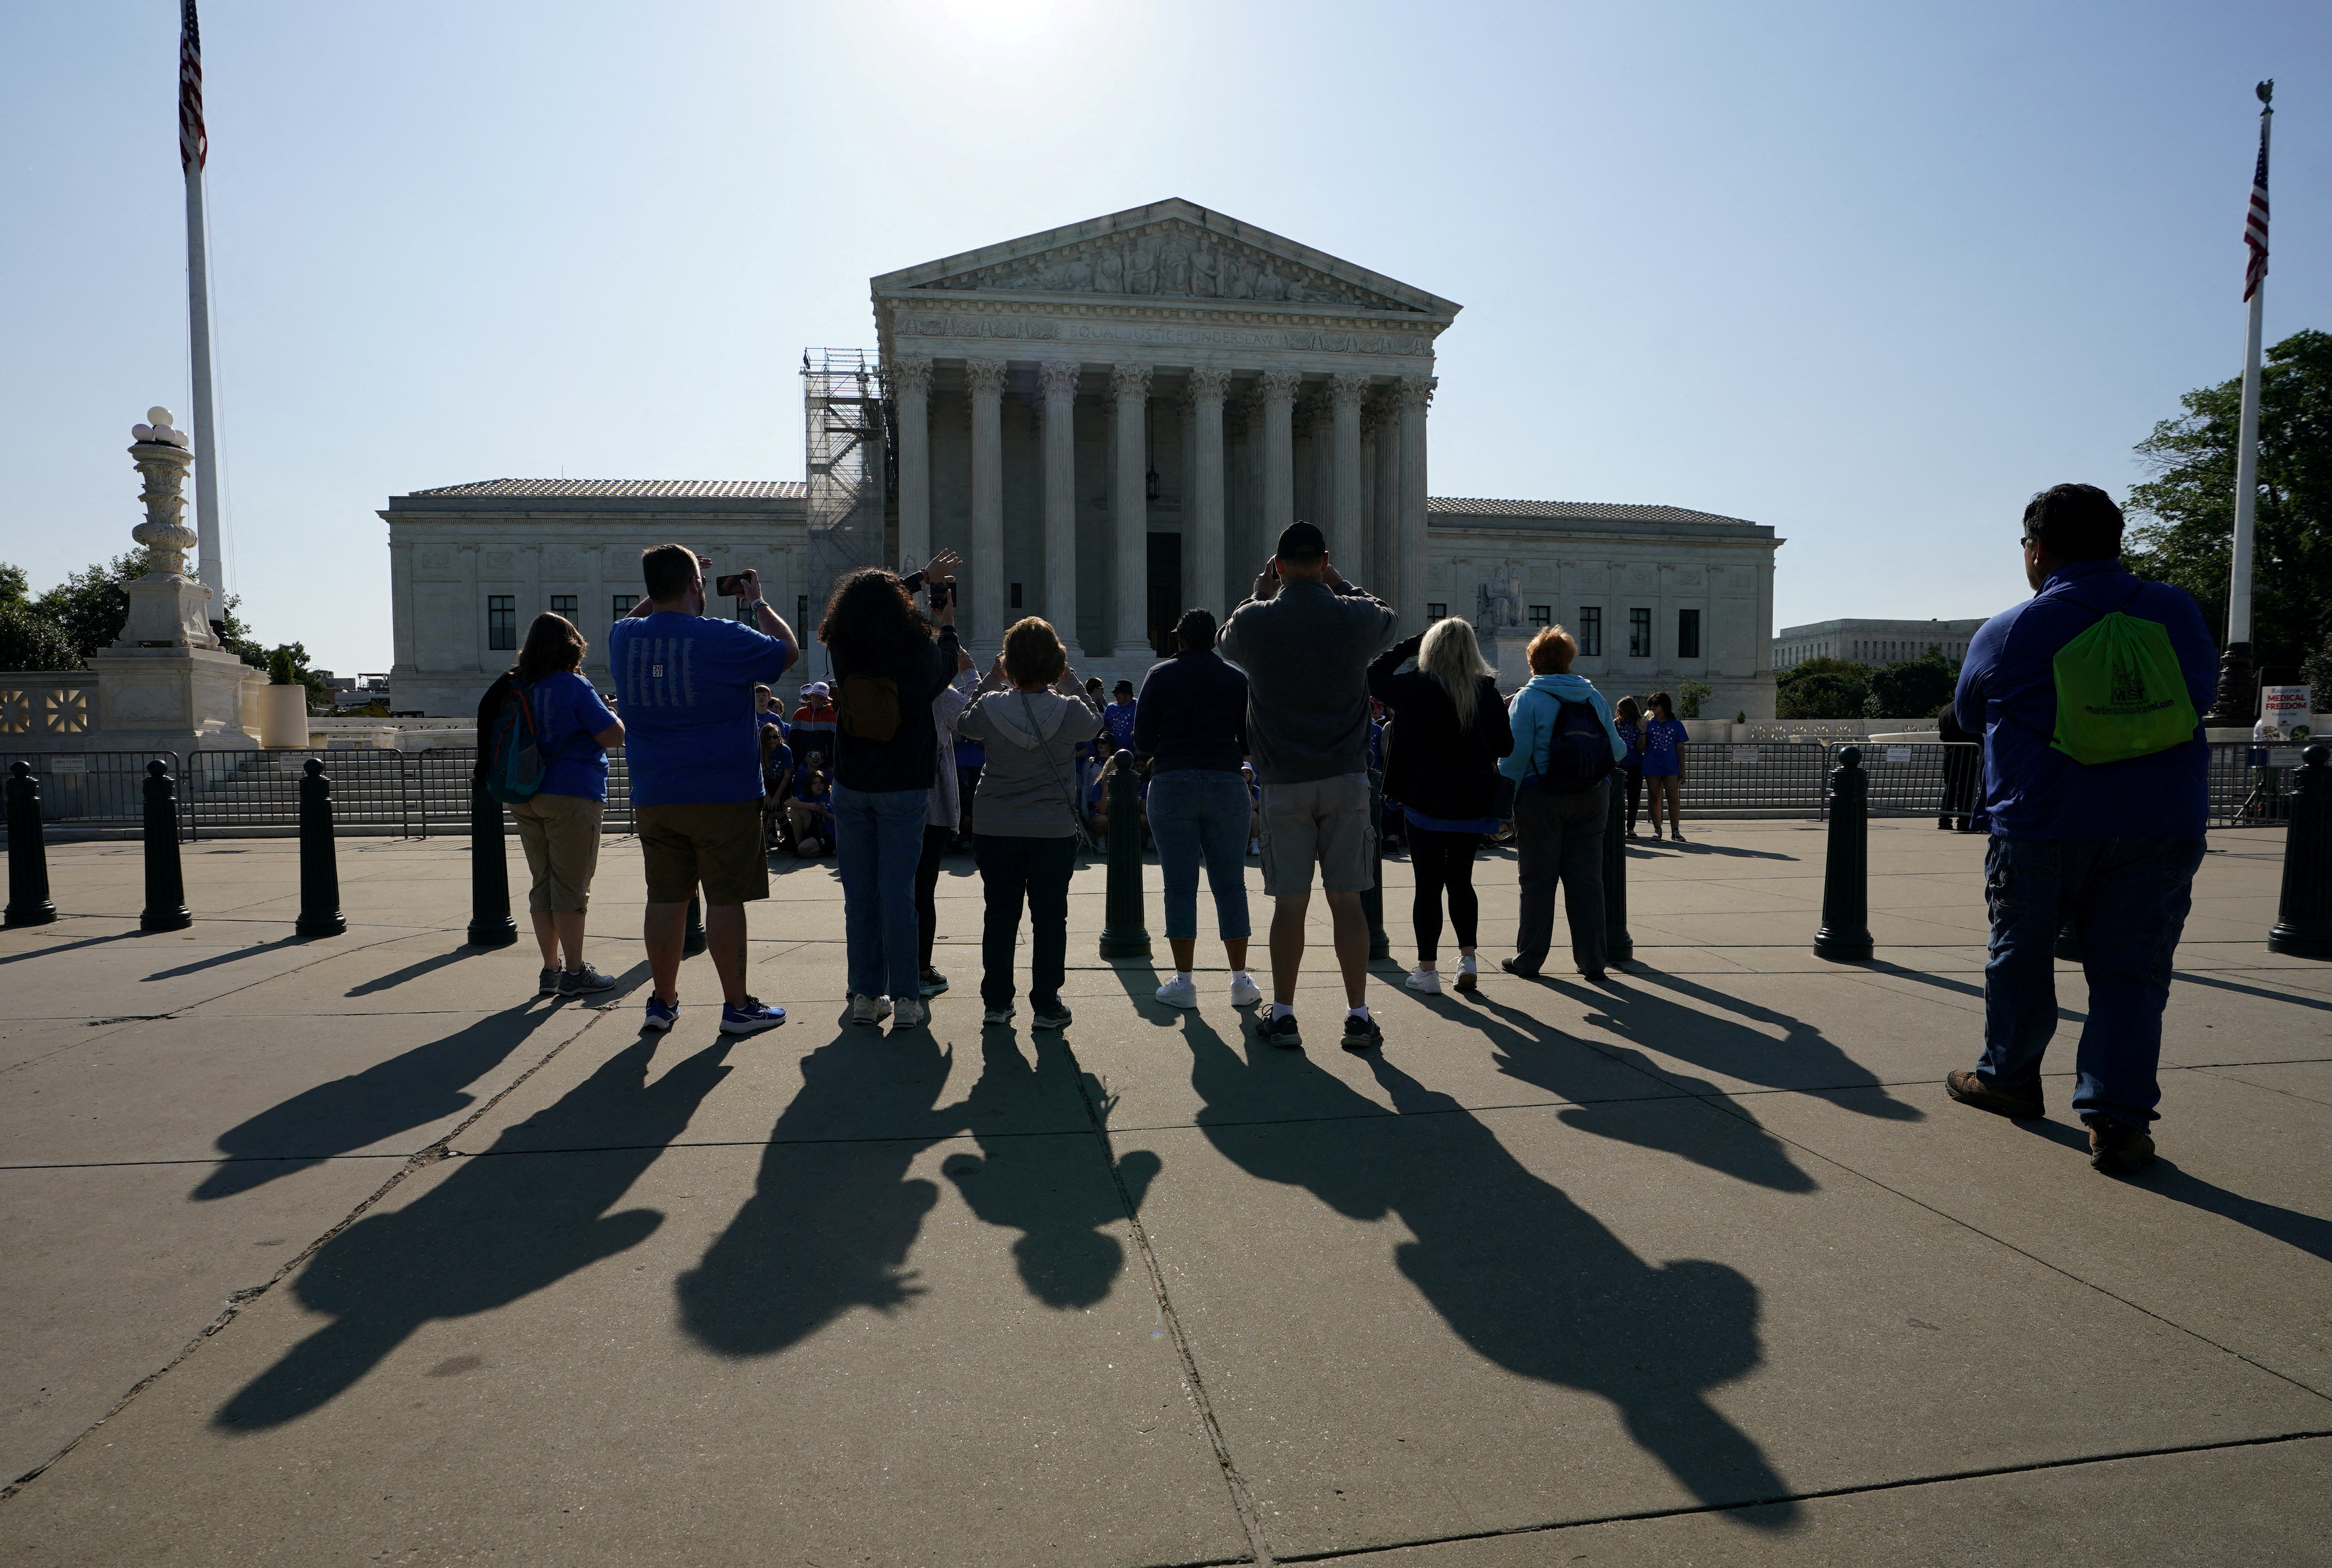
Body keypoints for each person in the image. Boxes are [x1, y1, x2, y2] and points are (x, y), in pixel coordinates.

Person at [1944, 483, 2215, 1177]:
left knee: (2022, 954)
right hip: (2159, 819)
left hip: (2043, 818)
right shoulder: (2176, 611)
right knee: (2132, 974)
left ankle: (2009, 1077)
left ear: (2036, 550)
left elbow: (1970, 714)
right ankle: (2118, 1122)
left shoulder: (2012, 628)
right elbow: (2202, 696)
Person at [1216, 521, 1401, 1052]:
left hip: (1283, 782)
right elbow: (1386, 615)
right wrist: (1342, 586)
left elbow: (1228, 638)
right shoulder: (1353, 615)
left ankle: (1286, 1013)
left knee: (1289, 904)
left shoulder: (1256, 620)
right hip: (1344, 778)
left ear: (1276, 567)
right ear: (1324, 561)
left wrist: (1258, 595)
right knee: (1348, 902)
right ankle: (1358, 1014)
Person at [606, 544, 797, 1036]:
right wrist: (758, 602)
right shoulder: (725, 636)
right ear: (697, 586)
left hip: (655, 793)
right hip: (723, 792)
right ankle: (737, 1007)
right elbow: (787, 651)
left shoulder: (623, 638)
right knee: (726, 898)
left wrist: (666, 590)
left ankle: (662, 1000)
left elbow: (636, 616)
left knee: (665, 899)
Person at [819, 548, 963, 1030]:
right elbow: (946, 668)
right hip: (904, 782)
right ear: (900, 605)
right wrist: (946, 624)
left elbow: (868, 601)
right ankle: (905, 999)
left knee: (859, 895)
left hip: (852, 780)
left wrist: (916, 578)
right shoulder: (916, 647)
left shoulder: (842, 644)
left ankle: (864, 994)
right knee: (899, 894)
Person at [955, 621, 1103, 1030]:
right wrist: (1069, 676)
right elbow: (1096, 722)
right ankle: (1046, 1003)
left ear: (1010, 662)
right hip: (1050, 826)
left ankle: (998, 1002)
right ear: (1055, 662)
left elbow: (964, 721)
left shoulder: (991, 707)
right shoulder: (1068, 708)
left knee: (1000, 915)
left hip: (995, 823)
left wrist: (991, 676)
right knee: (1050, 918)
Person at [477, 612, 627, 1000]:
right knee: (572, 887)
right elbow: (613, 736)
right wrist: (611, 711)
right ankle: (576, 972)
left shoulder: (519, 684)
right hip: (573, 793)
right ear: (571, 647)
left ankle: (551, 970)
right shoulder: (573, 685)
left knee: (543, 883)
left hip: (525, 793)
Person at [1368, 618, 1514, 994]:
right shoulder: (1487, 692)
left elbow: (1374, 674)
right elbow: (1506, 747)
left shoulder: (1417, 687)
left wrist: (1411, 642)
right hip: (1472, 804)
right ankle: (1468, 958)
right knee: (1462, 880)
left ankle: (1428, 969)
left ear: (1429, 650)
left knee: (1428, 885)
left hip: (1425, 801)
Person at [1135, 607, 1260, 1010]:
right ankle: (1240, 980)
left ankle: (1185, 982)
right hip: (1225, 778)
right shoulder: (1236, 678)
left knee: (1179, 885)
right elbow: (1249, 738)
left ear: (1181, 638)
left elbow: (1142, 738)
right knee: (1230, 884)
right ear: (1215, 640)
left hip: (1173, 778)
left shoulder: (1160, 675)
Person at [1497, 625, 1627, 981]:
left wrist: (1503, 792)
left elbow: (1514, 756)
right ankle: (1593, 960)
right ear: (1569, 660)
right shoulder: (1592, 697)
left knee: (1538, 880)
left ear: (1533, 662)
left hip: (1542, 796)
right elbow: (1618, 749)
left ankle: (1530, 957)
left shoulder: (1528, 699)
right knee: (1587, 879)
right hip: (1592, 796)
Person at [915, 647, 978, 1000]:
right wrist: (971, 674)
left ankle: (876, 972)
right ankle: (922, 970)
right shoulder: (939, 694)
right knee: (923, 890)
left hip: (888, 799)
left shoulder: (892, 684)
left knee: (890, 888)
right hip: (930, 805)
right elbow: (979, 718)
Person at [1641, 692, 1689, 842]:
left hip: (1670, 766)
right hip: (1652, 765)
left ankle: (1676, 830)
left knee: (1673, 797)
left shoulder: (1676, 724)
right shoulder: (1648, 722)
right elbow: (1641, 747)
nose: (1653, 707)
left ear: (1664, 705)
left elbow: (1680, 748)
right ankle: (1657, 829)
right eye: (1651, 705)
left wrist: (1683, 769)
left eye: (1656, 704)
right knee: (1655, 797)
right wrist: (1642, 730)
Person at [1612, 695, 1649, 836]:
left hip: (1635, 764)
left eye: (1622, 710)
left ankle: (1631, 827)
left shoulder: (1639, 724)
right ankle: (1618, 826)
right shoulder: (1616, 724)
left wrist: (1642, 731)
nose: (1619, 712)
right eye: (1618, 710)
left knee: (1634, 797)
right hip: (1619, 764)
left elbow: (1642, 747)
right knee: (1618, 798)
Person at [758, 722, 795, 850]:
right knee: (766, 809)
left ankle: (791, 839)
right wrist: (768, 795)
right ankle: (761, 838)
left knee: (778, 808)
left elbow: (787, 775)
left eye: (776, 736)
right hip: (767, 783)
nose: (773, 740)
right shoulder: (760, 751)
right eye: (769, 737)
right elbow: (760, 775)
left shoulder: (784, 750)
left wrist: (777, 796)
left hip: (781, 783)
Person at [787, 768, 833, 854]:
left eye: (821, 783)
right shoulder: (808, 796)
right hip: (814, 828)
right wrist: (809, 806)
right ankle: (797, 844)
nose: (819, 785)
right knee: (796, 810)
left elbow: (840, 820)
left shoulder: (831, 797)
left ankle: (829, 850)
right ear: (810, 785)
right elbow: (788, 802)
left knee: (804, 849)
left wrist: (826, 814)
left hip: (828, 832)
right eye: (815, 783)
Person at [791, 682, 837, 763]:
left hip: (824, 763)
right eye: (816, 696)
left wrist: (830, 763)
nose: (818, 700)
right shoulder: (799, 713)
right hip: (801, 762)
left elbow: (833, 744)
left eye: (822, 698)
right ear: (811, 695)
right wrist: (795, 762)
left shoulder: (833, 715)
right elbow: (793, 741)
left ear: (826, 700)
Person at [1104, 679, 1140, 751]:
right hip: (1114, 752)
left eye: (1118, 692)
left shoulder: (1138, 707)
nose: (1115, 695)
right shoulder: (1111, 708)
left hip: (1133, 752)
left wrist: (1139, 751)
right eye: (1115, 692)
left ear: (1127, 694)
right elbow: (1106, 730)